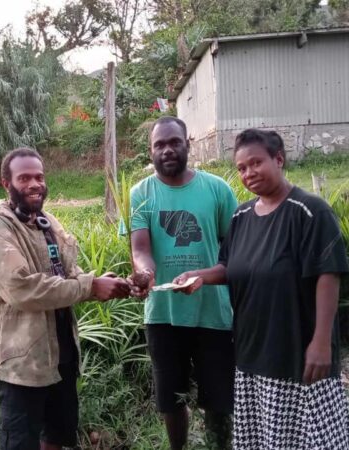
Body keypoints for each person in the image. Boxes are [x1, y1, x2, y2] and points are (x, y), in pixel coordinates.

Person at [174, 129, 349, 449]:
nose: (248, 173)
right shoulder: (241, 216)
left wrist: (322, 342)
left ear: (279, 159)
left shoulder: (310, 212)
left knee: (308, 439)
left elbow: (329, 274)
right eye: (241, 168)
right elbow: (230, 266)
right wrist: (199, 276)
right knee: (262, 438)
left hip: (298, 354)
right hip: (252, 352)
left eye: (256, 163)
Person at [0, 147, 132, 450]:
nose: (35, 184)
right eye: (24, 178)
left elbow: (69, 274)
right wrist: (89, 287)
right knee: (20, 443)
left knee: (57, 437)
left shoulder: (48, 222)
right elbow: (22, 289)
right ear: (6, 184)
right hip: (22, 364)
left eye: (39, 176)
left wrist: (108, 283)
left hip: (61, 354)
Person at [127, 116, 239, 449]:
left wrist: (203, 278)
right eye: (159, 144)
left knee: (218, 400)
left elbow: (233, 254)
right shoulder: (141, 194)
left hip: (213, 313)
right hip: (164, 314)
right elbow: (141, 249)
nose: (167, 150)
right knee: (170, 401)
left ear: (188, 143)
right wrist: (145, 274)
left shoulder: (217, 189)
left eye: (174, 142)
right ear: (150, 151)